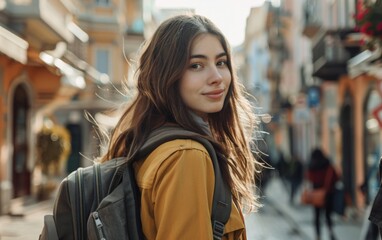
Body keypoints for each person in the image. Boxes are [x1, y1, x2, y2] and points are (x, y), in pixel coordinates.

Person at [98, 14, 262, 239]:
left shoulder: (147, 143)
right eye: (196, 65)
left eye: (221, 62)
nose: (217, 77)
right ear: (166, 76)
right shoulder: (186, 155)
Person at [305, 148, 338, 240]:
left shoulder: (311, 166)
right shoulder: (328, 165)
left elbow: (309, 178)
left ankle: (318, 236)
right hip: (328, 194)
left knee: (317, 217)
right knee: (328, 216)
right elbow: (336, 177)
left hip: (316, 195)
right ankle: (331, 233)